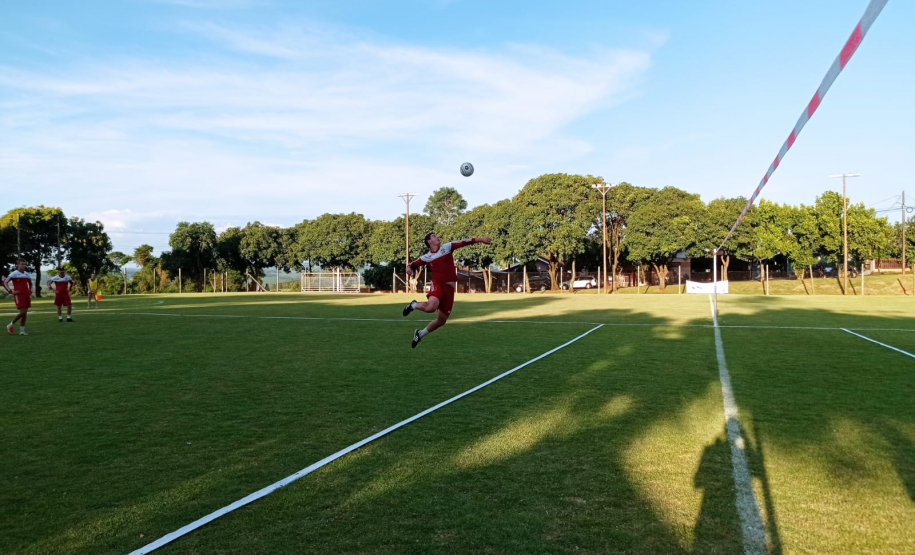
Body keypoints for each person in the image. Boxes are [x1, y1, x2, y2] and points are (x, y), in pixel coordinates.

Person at [402, 233, 491, 348]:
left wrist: (481, 239)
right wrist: (408, 269)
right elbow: (411, 265)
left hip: (449, 289)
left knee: (441, 321)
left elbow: (464, 241)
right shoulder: (427, 257)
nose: (438, 236)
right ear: (429, 242)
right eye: (434, 236)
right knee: (431, 307)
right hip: (438, 285)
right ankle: (413, 305)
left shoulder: (447, 247)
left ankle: (420, 334)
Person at [3, 259, 32, 336]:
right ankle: (10, 325)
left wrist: (30, 291)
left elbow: (31, 284)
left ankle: (22, 331)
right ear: (18, 265)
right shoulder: (14, 274)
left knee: (24, 313)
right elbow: (5, 282)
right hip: (19, 295)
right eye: (22, 264)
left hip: (26, 295)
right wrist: (11, 291)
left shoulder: (26, 274)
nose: (24, 265)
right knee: (22, 312)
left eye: (25, 264)